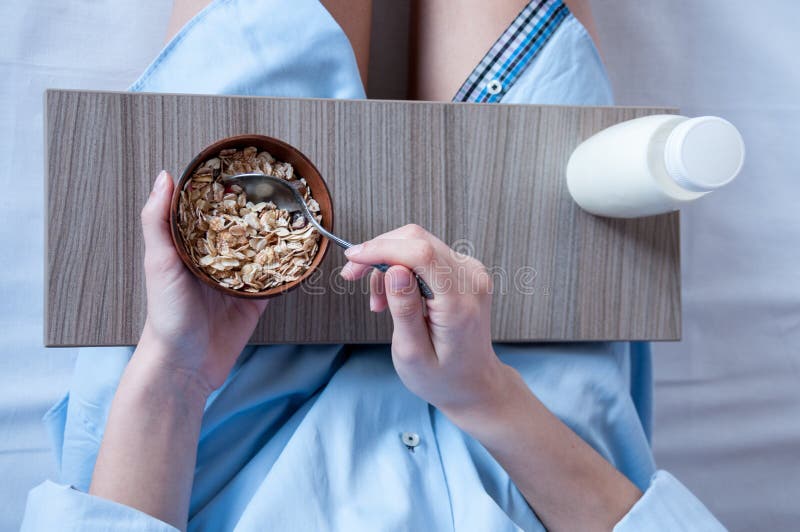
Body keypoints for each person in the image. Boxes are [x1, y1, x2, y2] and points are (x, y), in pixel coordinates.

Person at [22, 1, 725, 530]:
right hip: (532, 426)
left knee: (271, 29)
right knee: (550, 132)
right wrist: (483, 391)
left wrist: (176, 368)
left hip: (203, 425)